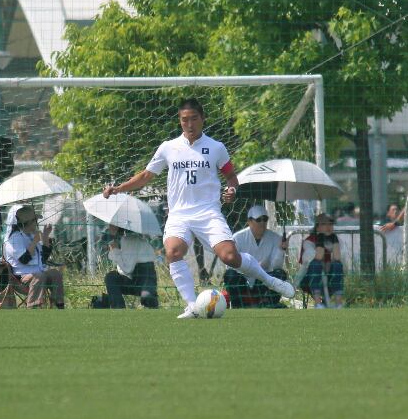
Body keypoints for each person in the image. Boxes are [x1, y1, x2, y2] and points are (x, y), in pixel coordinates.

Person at [103, 98, 295, 319]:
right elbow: (146, 175)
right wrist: (118, 188)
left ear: (203, 119)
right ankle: (193, 305)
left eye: (194, 119)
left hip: (208, 213)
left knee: (230, 257)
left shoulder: (216, 148)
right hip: (179, 214)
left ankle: (270, 280)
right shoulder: (168, 147)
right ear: (180, 121)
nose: (189, 124)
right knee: (173, 252)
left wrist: (232, 190)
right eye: (185, 120)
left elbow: (231, 178)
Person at [223, 206, 289, 308]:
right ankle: (238, 306)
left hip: (264, 281)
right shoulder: (237, 238)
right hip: (243, 280)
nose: (262, 223)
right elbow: (230, 266)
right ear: (249, 221)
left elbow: (276, 266)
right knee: (230, 275)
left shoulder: (276, 238)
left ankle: (268, 304)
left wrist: (281, 250)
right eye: (258, 220)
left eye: (265, 219)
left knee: (280, 274)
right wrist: (251, 267)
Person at [3, 205, 65, 308]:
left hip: (38, 274)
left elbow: (44, 258)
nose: (37, 223)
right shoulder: (14, 239)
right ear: (25, 223)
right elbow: (24, 260)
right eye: (34, 221)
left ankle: (58, 305)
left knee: (55, 274)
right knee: (39, 276)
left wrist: (45, 237)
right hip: (20, 279)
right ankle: (34, 306)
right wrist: (35, 241)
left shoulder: (31, 235)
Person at [95, 224, 159, 309]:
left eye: (112, 228)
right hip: (144, 279)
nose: (109, 229)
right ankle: (118, 306)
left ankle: (118, 308)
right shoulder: (135, 239)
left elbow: (127, 269)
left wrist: (114, 250)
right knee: (111, 277)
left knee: (111, 278)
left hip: (143, 280)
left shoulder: (128, 240)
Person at [294, 213, 344, 308]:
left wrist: (334, 239)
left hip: (329, 277)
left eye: (330, 223)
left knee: (337, 265)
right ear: (318, 227)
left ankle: (338, 303)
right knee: (316, 265)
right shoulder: (309, 242)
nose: (328, 227)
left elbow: (337, 258)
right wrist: (321, 238)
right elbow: (317, 257)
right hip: (309, 279)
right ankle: (318, 303)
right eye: (324, 224)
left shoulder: (335, 240)